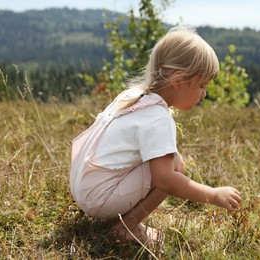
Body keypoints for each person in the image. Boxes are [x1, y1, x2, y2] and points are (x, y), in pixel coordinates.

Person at [70, 25, 242, 243]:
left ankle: (123, 216)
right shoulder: (158, 118)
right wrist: (213, 194)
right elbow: (165, 180)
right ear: (178, 80)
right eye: (202, 85)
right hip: (99, 198)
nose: (204, 93)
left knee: (171, 160)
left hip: (85, 188)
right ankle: (127, 227)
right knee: (173, 169)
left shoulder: (134, 96)